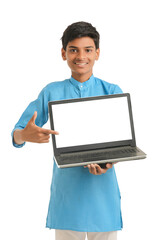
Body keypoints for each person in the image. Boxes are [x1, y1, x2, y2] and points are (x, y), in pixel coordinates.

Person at [12, 22, 123, 240]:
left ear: (97, 53)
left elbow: (121, 143)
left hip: (103, 192)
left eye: (88, 49)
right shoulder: (52, 91)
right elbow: (16, 134)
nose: (81, 56)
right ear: (64, 54)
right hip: (68, 193)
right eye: (74, 49)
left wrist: (108, 163)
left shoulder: (111, 91)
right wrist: (24, 135)